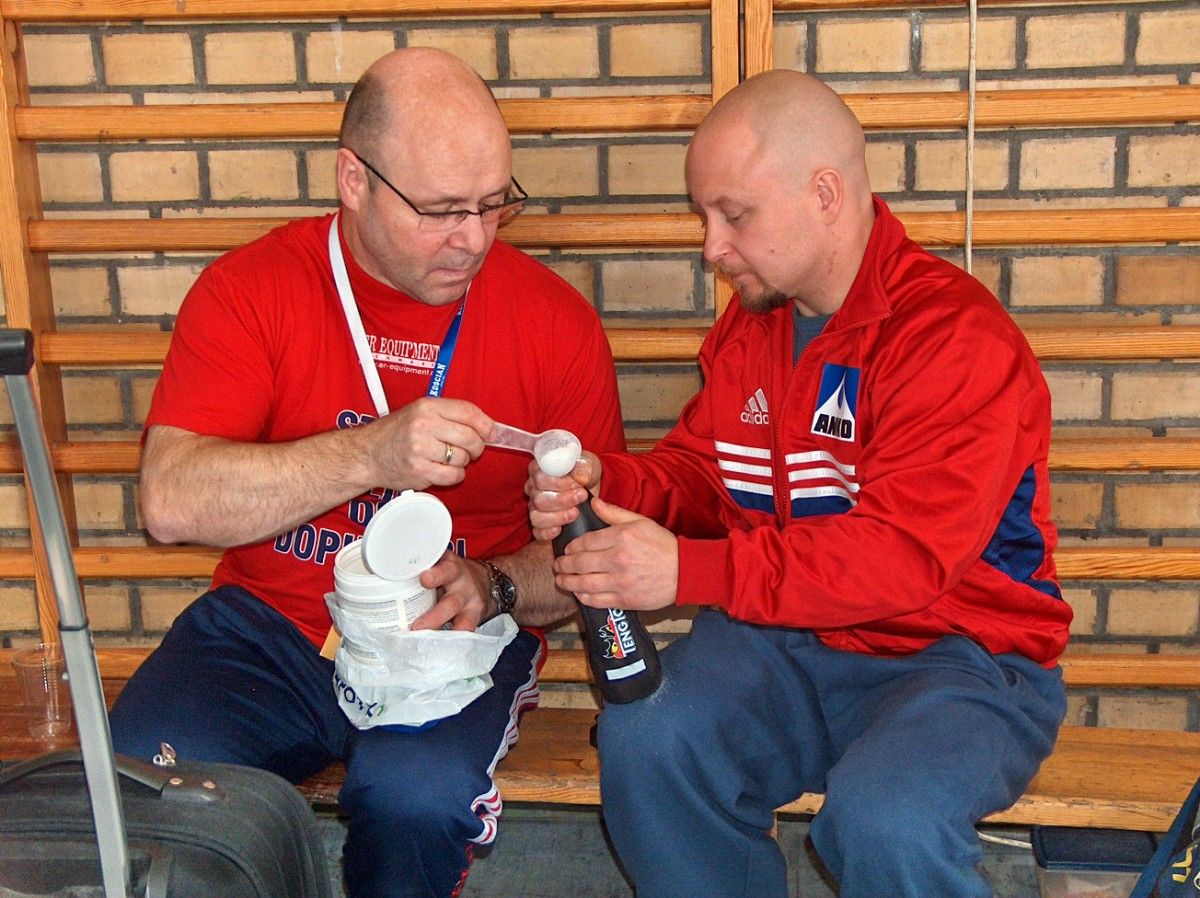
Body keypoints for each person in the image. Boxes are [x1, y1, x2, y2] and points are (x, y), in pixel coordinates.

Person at [528, 69, 1072, 898]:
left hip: (956, 660)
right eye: (705, 217)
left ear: (824, 195)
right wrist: (611, 486)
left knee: (885, 821)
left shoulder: (954, 339)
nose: (712, 247)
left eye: (734, 215)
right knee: (648, 741)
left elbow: (899, 558)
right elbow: (706, 477)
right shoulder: (753, 327)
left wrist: (688, 571)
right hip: (784, 643)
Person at [109, 48, 623, 898]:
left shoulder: (556, 323)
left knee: (418, 801)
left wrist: (493, 584)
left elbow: (583, 566)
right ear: (354, 179)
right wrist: (371, 454)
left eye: (494, 203)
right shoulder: (254, 289)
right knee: (144, 783)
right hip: (269, 629)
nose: (474, 238)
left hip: (450, 642)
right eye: (442, 210)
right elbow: (169, 499)